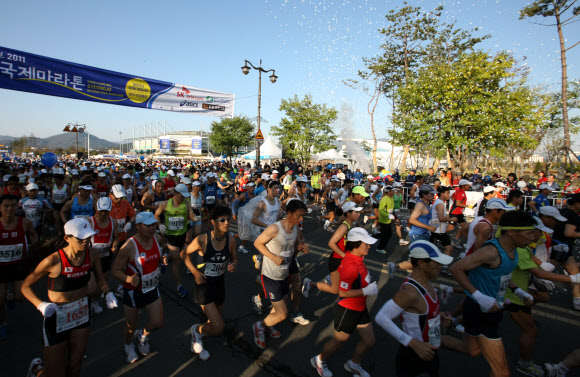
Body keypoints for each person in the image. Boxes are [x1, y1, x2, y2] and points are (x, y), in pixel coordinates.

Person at [22, 218, 117, 377]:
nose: (86, 241)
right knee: (55, 373)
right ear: (67, 238)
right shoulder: (52, 260)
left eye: (89, 237)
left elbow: (100, 278)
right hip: (56, 315)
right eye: (81, 238)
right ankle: (37, 370)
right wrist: (41, 305)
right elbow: (25, 286)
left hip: (81, 312)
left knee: (75, 366)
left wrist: (108, 292)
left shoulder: (92, 254)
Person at [449, 210, 537, 377]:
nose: (533, 237)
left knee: (472, 350)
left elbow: (501, 274)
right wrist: (480, 297)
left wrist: (518, 291)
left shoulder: (514, 250)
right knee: (502, 372)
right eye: (529, 233)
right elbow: (456, 268)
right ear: (511, 232)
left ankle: (427, 339)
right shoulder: (491, 251)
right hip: (479, 311)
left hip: (493, 308)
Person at [376, 240, 453, 377]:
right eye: (437, 263)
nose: (441, 266)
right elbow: (381, 317)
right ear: (422, 264)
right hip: (413, 354)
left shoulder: (428, 283)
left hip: (429, 350)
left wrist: (436, 316)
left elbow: (420, 313)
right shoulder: (410, 292)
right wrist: (412, 343)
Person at [310, 228, 378, 377]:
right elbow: (342, 292)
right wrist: (366, 291)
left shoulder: (357, 258)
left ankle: (353, 364)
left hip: (360, 308)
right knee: (339, 341)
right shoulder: (350, 265)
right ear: (355, 245)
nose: (369, 246)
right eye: (366, 243)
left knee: (369, 340)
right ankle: (319, 360)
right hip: (348, 309)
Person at [252, 199, 309, 349]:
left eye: (302, 216)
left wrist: (301, 247)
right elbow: (257, 243)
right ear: (288, 213)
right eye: (298, 215)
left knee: (278, 308)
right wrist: (273, 257)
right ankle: (259, 326)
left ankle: (269, 324)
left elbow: (293, 247)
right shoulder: (275, 228)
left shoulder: (295, 228)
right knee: (282, 314)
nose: (301, 219)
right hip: (270, 276)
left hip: (284, 274)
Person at [182, 206, 238, 361]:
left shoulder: (231, 240)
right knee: (219, 327)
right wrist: (194, 272)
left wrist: (233, 264)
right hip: (204, 287)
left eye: (228, 219)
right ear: (213, 222)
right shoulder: (203, 239)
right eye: (222, 220)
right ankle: (196, 331)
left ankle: (199, 337)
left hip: (220, 284)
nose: (227, 222)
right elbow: (184, 254)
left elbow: (234, 258)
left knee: (214, 321)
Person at [112, 211, 167, 364]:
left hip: (152, 288)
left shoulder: (156, 238)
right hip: (133, 292)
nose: (151, 228)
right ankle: (128, 345)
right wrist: (128, 278)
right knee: (131, 326)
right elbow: (115, 270)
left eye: (153, 225)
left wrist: (163, 259)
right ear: (138, 226)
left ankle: (142, 336)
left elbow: (160, 254)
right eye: (147, 225)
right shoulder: (129, 246)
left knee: (157, 322)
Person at [302, 201, 362, 297]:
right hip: (337, 260)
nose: (359, 214)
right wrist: (344, 256)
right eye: (356, 212)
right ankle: (310, 284)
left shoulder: (352, 225)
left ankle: (332, 279)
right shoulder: (344, 226)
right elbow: (331, 243)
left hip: (345, 260)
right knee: (335, 290)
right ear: (348, 213)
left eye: (359, 212)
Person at [0, 194, 38, 340]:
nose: (9, 209)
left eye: (13, 205)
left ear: (18, 206)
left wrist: (35, 255)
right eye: (6, 206)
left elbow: (33, 236)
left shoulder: (25, 223)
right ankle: (2, 324)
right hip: (1, 267)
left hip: (19, 265)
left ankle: (11, 296)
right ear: (0, 207)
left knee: (20, 298)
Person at [155, 183, 195, 298]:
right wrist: (159, 225)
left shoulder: (186, 203)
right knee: (177, 260)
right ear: (176, 193)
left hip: (181, 234)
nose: (184, 197)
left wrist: (196, 217)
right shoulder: (165, 204)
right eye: (182, 195)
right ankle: (179, 286)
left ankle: (163, 259)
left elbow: (191, 214)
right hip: (170, 236)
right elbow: (156, 215)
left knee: (181, 255)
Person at [87, 197, 120, 314]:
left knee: (102, 284)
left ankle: (94, 302)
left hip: (106, 257)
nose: (103, 213)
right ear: (96, 208)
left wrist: (115, 246)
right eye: (101, 210)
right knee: (91, 287)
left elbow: (116, 238)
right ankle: (87, 300)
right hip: (90, 259)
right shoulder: (89, 221)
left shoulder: (113, 222)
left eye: (106, 210)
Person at [376, 185, 396, 254]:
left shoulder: (391, 197)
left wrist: (393, 215)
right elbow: (381, 210)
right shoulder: (384, 199)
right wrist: (388, 215)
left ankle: (373, 236)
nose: (394, 192)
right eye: (392, 190)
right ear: (389, 192)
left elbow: (391, 208)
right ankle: (380, 248)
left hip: (389, 219)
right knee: (386, 235)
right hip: (383, 220)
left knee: (387, 234)